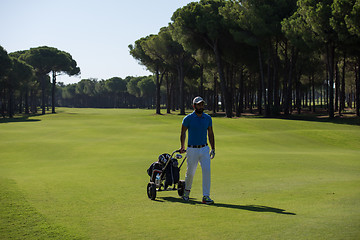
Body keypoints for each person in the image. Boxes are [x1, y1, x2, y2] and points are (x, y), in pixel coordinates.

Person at [179, 96, 215, 204]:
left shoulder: (208, 118)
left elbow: (211, 133)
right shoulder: (188, 118)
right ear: (194, 106)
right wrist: (182, 146)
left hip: (204, 148)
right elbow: (183, 133)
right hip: (192, 149)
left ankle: (206, 196)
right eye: (199, 104)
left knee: (207, 171)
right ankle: (186, 192)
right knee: (190, 173)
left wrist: (213, 148)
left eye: (202, 104)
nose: (201, 106)